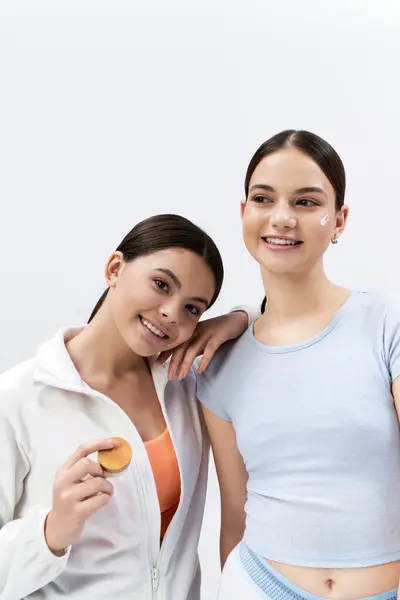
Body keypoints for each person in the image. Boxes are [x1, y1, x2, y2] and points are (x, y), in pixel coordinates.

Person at [0, 213, 251, 600]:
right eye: (161, 284)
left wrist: (236, 320)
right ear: (115, 268)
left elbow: (283, 320)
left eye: (193, 309)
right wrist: (50, 533)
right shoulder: (21, 397)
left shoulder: (183, 382)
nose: (171, 313)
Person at [195, 130, 400, 600]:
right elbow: (235, 512)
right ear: (244, 212)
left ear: (339, 220)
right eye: (263, 198)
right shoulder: (221, 363)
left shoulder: (386, 325)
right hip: (258, 585)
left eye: (306, 202)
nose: (282, 218)